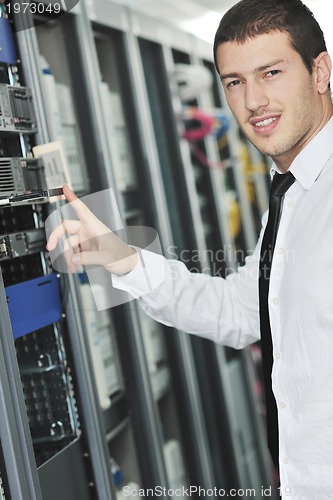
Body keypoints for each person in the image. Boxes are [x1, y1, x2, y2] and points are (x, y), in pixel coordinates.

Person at [47, 0, 333, 498]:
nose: (254, 101)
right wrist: (124, 259)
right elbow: (244, 311)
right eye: (235, 82)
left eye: (271, 72)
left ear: (320, 71)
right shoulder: (291, 194)